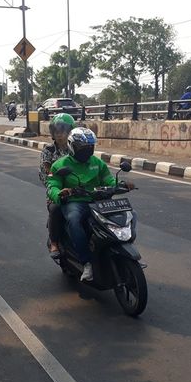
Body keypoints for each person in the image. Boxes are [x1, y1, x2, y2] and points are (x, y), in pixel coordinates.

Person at [46, 127, 134, 281]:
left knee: (128, 214)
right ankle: (86, 262)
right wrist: (60, 193)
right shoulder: (60, 165)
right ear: (72, 146)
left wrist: (121, 184)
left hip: (98, 201)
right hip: (76, 202)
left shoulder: (97, 163)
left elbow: (108, 179)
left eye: (90, 147)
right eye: (83, 148)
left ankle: (118, 246)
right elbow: (52, 186)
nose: (87, 151)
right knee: (74, 220)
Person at [40, 113, 75, 258]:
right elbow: (44, 176)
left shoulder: (76, 147)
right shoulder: (48, 151)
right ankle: (54, 241)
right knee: (55, 209)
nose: (59, 134)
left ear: (70, 131)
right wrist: (58, 188)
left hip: (79, 189)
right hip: (57, 192)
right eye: (56, 130)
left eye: (63, 130)